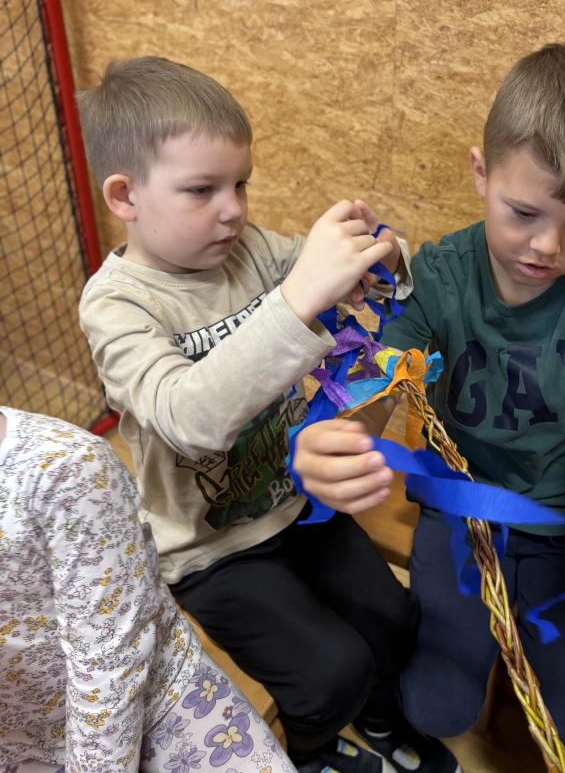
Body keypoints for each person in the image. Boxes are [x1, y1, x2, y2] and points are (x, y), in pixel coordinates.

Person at [292, 37, 565, 759]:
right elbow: (373, 389)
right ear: (481, 173)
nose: (547, 246)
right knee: (436, 709)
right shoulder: (439, 275)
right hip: (461, 518)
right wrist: (334, 438)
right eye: (523, 212)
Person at [77, 57, 459, 773]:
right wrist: (298, 298)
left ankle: (380, 725)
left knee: (392, 619)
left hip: (293, 505)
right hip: (209, 548)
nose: (233, 209)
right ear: (126, 196)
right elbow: (188, 418)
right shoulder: (119, 305)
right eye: (203, 189)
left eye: (241, 184)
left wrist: (382, 256)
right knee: (328, 673)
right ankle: (311, 752)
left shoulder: (249, 250)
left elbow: (347, 274)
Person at [0, 404, 296, 773]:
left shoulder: (64, 467)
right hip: (27, 741)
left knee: (331, 671)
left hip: (153, 701)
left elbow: (110, 661)